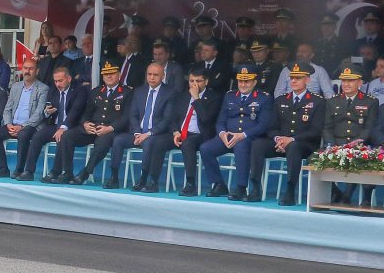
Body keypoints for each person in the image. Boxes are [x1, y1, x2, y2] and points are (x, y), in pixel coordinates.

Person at [249, 63, 325, 205]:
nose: (293, 81)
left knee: (294, 147)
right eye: (292, 78)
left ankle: (290, 191)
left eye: (298, 78)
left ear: (307, 80)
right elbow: (272, 127)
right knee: (258, 144)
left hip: (304, 144)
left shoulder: (317, 101)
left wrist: (291, 139)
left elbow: (316, 130)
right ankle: (255, 188)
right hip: (280, 143)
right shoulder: (281, 100)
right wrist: (278, 138)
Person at [200, 66, 274, 201]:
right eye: (240, 81)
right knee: (206, 148)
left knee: (240, 145)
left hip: (250, 137)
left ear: (254, 82)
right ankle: (219, 184)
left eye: (247, 81)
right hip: (228, 136)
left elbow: (263, 125)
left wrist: (243, 135)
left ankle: (241, 187)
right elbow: (220, 120)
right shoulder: (230, 96)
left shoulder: (264, 98)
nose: (243, 84)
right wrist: (222, 134)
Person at [57, 62, 132, 185]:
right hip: (93, 128)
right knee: (67, 136)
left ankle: (85, 173)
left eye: (112, 73)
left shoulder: (127, 92)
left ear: (119, 75)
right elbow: (86, 113)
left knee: (102, 142)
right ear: (102, 76)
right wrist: (85, 123)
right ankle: (67, 172)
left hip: (111, 130)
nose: (109, 76)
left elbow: (126, 116)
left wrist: (110, 128)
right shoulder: (96, 91)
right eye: (106, 74)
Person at [114, 63, 177, 193]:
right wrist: (137, 132)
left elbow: (167, 119)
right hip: (138, 133)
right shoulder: (139, 91)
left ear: (163, 76)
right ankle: (114, 177)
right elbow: (133, 115)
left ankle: (145, 179)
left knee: (149, 142)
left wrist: (148, 134)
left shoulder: (170, 93)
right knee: (118, 139)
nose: (152, 78)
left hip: (159, 134)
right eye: (149, 74)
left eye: (156, 75)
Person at [322, 67, 381, 205]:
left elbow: (369, 127)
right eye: (344, 81)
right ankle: (336, 192)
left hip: (360, 144)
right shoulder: (332, 101)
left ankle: (349, 196)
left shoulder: (370, 102)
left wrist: (355, 144)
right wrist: (331, 145)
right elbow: (327, 127)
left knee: (359, 158)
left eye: (351, 81)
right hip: (336, 143)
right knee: (312, 159)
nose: (346, 84)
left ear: (360, 83)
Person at [25, 67, 86, 181]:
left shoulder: (79, 90)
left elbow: (75, 112)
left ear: (69, 78)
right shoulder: (53, 90)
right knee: (38, 136)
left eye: (60, 81)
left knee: (61, 136)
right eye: (56, 81)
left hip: (72, 125)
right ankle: (28, 171)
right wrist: (47, 112)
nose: (57, 84)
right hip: (55, 124)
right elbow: (47, 108)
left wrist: (63, 127)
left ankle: (55, 172)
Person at [0, 58, 48, 178]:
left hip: (30, 126)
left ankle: (19, 169)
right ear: (22, 70)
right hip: (13, 124)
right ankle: (3, 168)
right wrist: (8, 124)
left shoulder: (43, 89)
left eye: (31, 68)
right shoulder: (15, 87)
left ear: (37, 71)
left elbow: (39, 113)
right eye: (25, 68)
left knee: (23, 135)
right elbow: (7, 109)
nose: (28, 71)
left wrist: (22, 126)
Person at [170, 68, 219, 197]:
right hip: (181, 134)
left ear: (206, 82)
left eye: (198, 81)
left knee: (187, 144)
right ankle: (150, 181)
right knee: (157, 141)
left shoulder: (214, 97)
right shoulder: (182, 95)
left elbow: (206, 119)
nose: (194, 84)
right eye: (191, 81)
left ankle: (190, 183)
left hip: (201, 135)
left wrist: (196, 98)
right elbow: (173, 118)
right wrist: (175, 132)